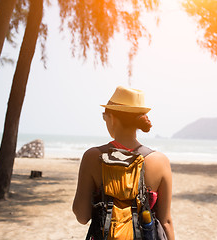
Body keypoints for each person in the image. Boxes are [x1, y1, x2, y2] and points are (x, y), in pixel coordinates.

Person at [72, 86, 175, 240]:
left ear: (112, 118)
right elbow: (165, 221)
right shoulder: (160, 161)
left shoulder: (92, 157)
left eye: (104, 116)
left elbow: (82, 216)